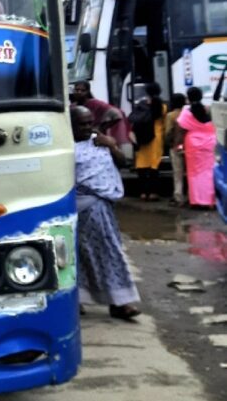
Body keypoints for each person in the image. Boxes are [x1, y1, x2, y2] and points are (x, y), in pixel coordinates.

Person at [70, 105, 142, 321]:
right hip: (81, 206)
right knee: (84, 254)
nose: (87, 127)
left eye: (89, 123)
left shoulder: (100, 141)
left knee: (103, 251)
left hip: (102, 204)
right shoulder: (66, 148)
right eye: (82, 124)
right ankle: (104, 301)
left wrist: (111, 145)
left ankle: (116, 301)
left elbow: (122, 163)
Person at [174, 86, 216, 209]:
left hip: (193, 144)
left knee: (194, 174)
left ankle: (197, 201)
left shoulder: (186, 112)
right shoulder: (208, 109)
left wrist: (179, 146)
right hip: (209, 142)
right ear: (201, 96)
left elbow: (180, 131)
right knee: (209, 172)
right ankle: (210, 201)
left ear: (188, 98)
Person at [132, 81, 167, 201]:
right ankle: (153, 193)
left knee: (142, 164)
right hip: (156, 137)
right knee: (154, 165)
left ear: (146, 92)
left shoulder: (141, 105)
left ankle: (143, 192)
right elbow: (164, 123)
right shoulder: (162, 106)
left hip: (143, 137)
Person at [71, 81, 130, 146]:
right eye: (77, 90)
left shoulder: (95, 103)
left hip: (94, 139)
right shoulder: (72, 106)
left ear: (88, 92)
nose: (79, 92)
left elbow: (117, 114)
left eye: (82, 90)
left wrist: (101, 128)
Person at [164, 93, 187, 206]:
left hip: (176, 146)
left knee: (178, 173)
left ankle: (178, 197)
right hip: (189, 146)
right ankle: (192, 196)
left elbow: (168, 132)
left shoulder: (171, 115)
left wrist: (169, 143)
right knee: (190, 173)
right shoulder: (188, 113)